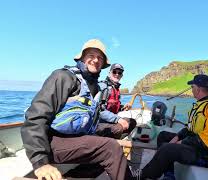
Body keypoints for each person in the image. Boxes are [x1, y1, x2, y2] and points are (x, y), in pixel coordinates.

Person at [21, 39, 132, 180]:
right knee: (111, 148)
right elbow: (35, 117)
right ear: (82, 57)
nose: (95, 60)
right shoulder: (63, 77)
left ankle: (72, 175)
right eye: (91, 55)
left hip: (74, 139)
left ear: (103, 64)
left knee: (106, 141)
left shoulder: (95, 87)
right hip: (50, 143)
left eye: (100, 58)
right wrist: (40, 162)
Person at [132, 74, 208, 179]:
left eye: (192, 87)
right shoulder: (203, 104)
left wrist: (181, 142)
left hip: (207, 154)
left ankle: (143, 175)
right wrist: (178, 136)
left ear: (198, 89)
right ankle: (169, 175)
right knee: (163, 136)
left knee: (167, 149)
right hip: (197, 145)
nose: (191, 90)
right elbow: (190, 128)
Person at [96, 63, 136, 139]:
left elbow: (112, 106)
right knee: (119, 128)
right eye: (114, 72)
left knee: (132, 122)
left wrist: (122, 107)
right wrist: (118, 119)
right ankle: (109, 143)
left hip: (110, 121)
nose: (117, 74)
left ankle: (115, 140)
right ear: (109, 73)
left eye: (119, 73)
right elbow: (99, 110)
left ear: (122, 75)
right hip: (98, 123)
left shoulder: (116, 88)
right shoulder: (103, 87)